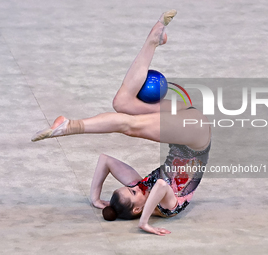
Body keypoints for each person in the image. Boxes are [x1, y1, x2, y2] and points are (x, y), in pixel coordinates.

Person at [31, 10, 211, 236]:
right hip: (196, 134)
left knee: (122, 102)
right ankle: (70, 126)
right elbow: (162, 186)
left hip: (183, 128)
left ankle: (153, 39)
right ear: (138, 209)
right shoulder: (166, 208)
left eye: (130, 187)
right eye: (133, 192)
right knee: (130, 126)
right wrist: (144, 223)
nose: (136, 186)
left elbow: (105, 160)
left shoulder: (141, 188)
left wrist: (95, 197)